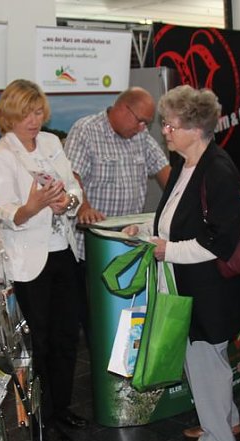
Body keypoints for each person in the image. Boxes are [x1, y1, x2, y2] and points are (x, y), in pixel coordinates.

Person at [123, 85, 240, 441]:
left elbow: (219, 242)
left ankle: (217, 437)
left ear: (195, 129)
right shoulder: (185, 165)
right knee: (207, 358)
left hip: (210, 286)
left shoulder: (218, 170)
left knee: (205, 358)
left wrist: (167, 250)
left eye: (171, 125)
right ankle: (225, 420)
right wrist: (148, 230)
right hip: (192, 281)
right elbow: (177, 219)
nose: (165, 131)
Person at [0, 79, 86, 441]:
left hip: (63, 250)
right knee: (38, 344)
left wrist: (66, 202)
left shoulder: (51, 143)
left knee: (66, 337)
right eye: (26, 113)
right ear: (9, 115)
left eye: (38, 112)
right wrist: (32, 207)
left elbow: (73, 187)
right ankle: (40, 420)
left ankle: (62, 408)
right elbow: (1, 211)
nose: (33, 120)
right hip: (28, 260)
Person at [64, 87, 171, 337]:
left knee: (129, 315)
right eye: (141, 120)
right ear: (123, 108)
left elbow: (165, 171)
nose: (143, 127)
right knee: (97, 320)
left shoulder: (141, 137)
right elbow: (71, 176)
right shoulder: (86, 130)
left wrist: (184, 200)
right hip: (94, 246)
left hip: (131, 242)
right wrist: (84, 207)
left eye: (147, 123)